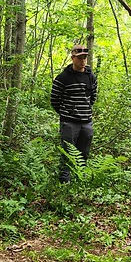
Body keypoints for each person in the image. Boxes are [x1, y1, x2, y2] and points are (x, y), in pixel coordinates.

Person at [50, 44, 98, 183]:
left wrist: (85, 110)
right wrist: (67, 113)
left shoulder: (91, 77)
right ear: (73, 58)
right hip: (69, 122)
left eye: (84, 58)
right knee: (67, 153)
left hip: (86, 122)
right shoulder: (63, 78)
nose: (82, 61)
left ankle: (80, 180)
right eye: (79, 58)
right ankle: (65, 183)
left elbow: (93, 97)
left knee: (83, 153)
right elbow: (54, 100)